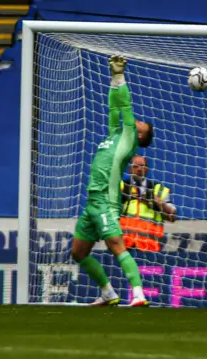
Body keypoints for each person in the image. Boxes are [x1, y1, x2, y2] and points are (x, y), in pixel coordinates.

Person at [70, 55, 154, 308]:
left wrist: (120, 77)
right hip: (92, 201)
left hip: (106, 201)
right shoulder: (115, 135)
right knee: (78, 252)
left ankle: (138, 294)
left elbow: (125, 106)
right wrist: (112, 78)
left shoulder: (129, 139)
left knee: (116, 245)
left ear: (140, 134)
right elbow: (114, 108)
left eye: (141, 124)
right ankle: (107, 292)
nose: (136, 120)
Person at [120, 155, 176, 252]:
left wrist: (160, 204)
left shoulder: (158, 190)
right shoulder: (121, 187)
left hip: (149, 249)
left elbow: (172, 216)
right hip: (123, 248)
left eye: (142, 166)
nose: (139, 169)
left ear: (147, 170)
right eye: (135, 166)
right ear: (130, 170)